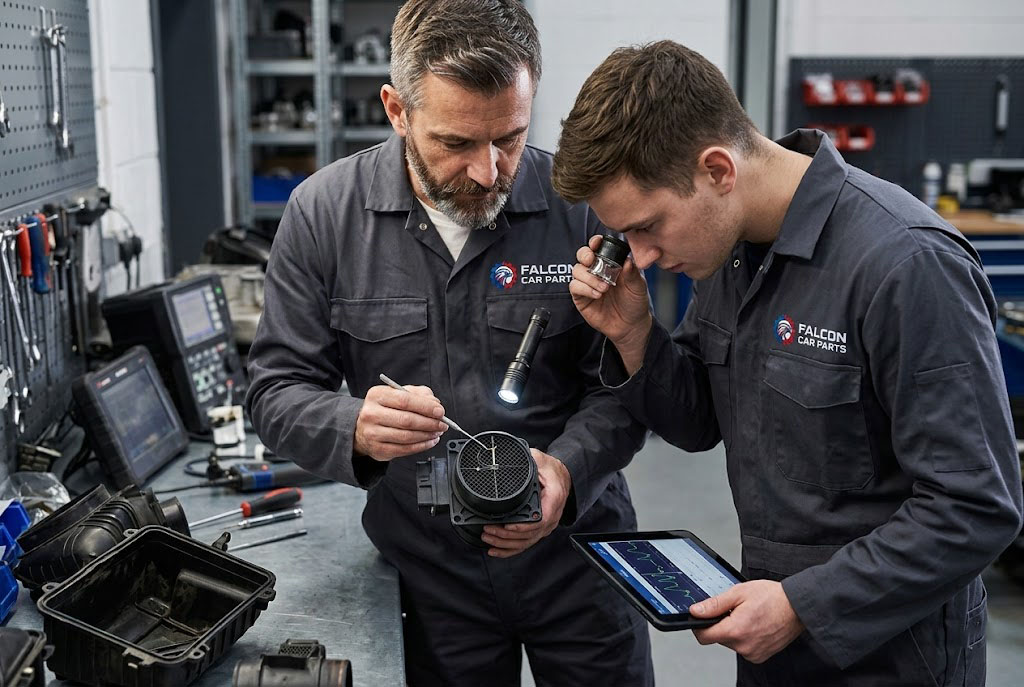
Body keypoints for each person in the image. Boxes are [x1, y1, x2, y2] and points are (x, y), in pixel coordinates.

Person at [551, 40, 1023, 686]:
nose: (646, 256)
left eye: (648, 226)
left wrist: (805, 604)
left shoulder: (907, 264)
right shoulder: (730, 250)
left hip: (891, 657)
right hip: (773, 637)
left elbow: (975, 505)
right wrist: (634, 333)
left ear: (718, 169)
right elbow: (696, 422)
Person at [245, 2, 653, 685]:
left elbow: (622, 388)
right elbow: (275, 390)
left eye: (510, 139)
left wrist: (567, 471)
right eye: (457, 143)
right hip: (430, 578)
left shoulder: (581, 210)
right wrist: (354, 424)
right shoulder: (324, 216)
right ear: (396, 110)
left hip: (577, 555)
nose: (489, 172)